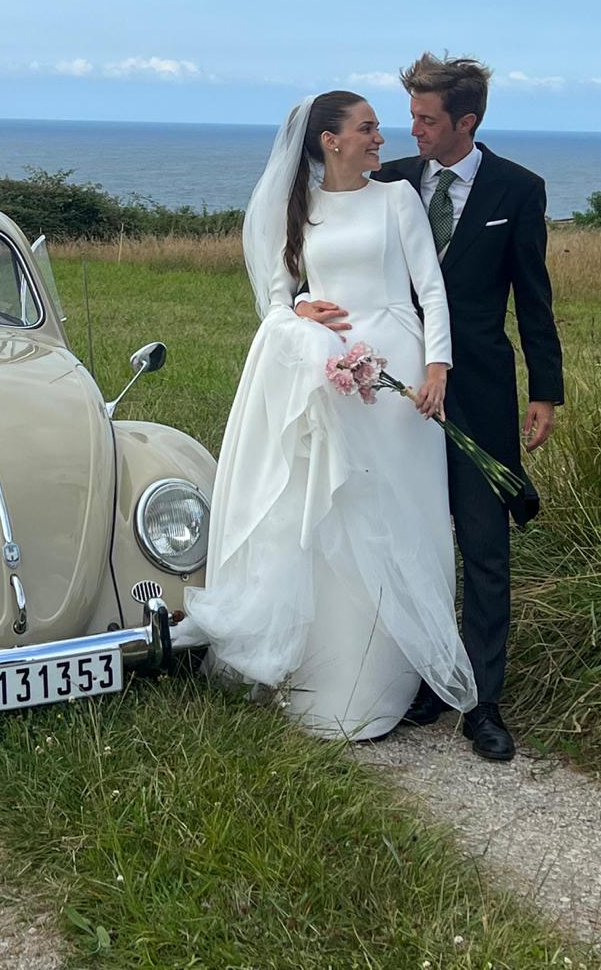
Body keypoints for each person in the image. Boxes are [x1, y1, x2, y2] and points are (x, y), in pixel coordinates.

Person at [183, 91, 477, 740]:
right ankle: (335, 680)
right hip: (331, 375)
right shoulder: (301, 210)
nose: (382, 136)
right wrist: (298, 313)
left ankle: (398, 679)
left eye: (378, 127)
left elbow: (429, 288)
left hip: (399, 378)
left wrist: (437, 369)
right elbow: (278, 298)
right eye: (367, 127)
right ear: (330, 140)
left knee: (404, 512)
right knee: (332, 514)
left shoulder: (397, 198)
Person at [367, 54, 564, 761]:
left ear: (466, 122)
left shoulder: (518, 189)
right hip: (396, 394)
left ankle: (482, 701)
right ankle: (423, 680)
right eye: (410, 115)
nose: (410, 130)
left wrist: (546, 390)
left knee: (484, 544)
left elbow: (533, 298)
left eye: (425, 119)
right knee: (412, 537)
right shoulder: (388, 182)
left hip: (478, 390)